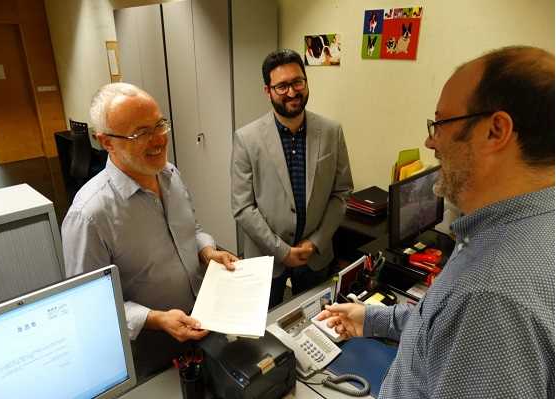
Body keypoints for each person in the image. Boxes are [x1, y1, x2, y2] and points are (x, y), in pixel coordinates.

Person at [319, 46, 554, 398]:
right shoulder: (515, 228)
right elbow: (440, 324)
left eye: (441, 123)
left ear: (496, 130)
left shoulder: (490, 297)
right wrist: (372, 318)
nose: (431, 141)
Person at [61, 82, 238, 380]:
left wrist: (207, 250)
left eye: (159, 125)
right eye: (140, 133)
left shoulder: (170, 174)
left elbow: (190, 229)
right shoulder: (89, 216)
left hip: (204, 327)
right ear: (106, 142)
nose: (158, 140)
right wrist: (155, 319)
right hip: (150, 354)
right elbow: (89, 307)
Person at [231, 49, 353, 308]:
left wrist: (315, 243)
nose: (292, 92)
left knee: (318, 323)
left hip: (316, 256)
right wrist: (282, 250)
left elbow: (341, 193)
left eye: (297, 82)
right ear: (268, 91)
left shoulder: (331, 132)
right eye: (282, 86)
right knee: (264, 333)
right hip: (266, 258)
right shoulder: (247, 138)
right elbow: (243, 207)